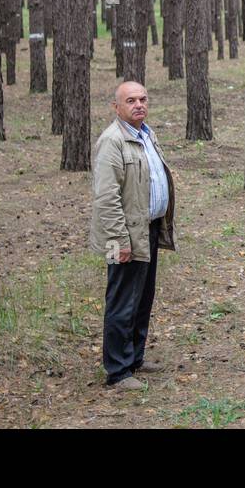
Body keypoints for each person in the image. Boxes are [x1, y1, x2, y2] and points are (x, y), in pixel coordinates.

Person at [89, 81, 177, 390]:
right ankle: (118, 371)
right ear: (116, 107)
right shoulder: (112, 141)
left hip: (147, 230)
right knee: (121, 300)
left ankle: (135, 358)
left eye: (142, 99)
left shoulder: (145, 134)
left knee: (142, 298)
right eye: (130, 100)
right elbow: (106, 198)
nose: (138, 104)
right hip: (122, 238)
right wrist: (120, 241)